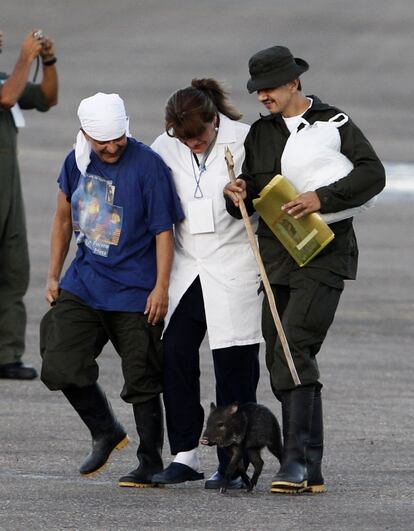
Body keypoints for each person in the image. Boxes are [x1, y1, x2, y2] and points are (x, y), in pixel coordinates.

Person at [224, 46, 385, 494]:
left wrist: (322, 198)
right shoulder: (262, 134)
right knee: (278, 354)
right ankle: (309, 467)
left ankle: (294, 462)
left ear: (293, 83)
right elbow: (255, 190)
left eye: (269, 89)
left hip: (324, 254)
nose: (262, 98)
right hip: (276, 258)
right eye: (257, 90)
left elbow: (373, 174)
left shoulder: (335, 122)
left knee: (295, 348)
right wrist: (236, 192)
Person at [39, 92, 184, 487]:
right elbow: (63, 218)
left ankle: (150, 461)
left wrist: (160, 288)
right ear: (85, 133)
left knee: (142, 378)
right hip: (84, 282)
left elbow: (163, 231)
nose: (111, 146)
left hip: (135, 290)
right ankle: (105, 429)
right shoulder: (77, 161)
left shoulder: (147, 167)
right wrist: (53, 275)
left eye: (117, 137)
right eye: (102, 140)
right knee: (58, 361)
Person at [150, 79, 262, 489]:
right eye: (184, 138)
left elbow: (266, 190)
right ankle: (184, 454)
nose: (192, 143)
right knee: (176, 355)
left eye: (198, 136)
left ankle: (233, 465)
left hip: (234, 266)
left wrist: (247, 192)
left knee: (234, 371)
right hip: (187, 267)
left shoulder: (246, 140)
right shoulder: (164, 146)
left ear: (214, 120)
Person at [0, 29, 58, 380]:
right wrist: (25, 58)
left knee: (13, 267)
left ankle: (7, 353)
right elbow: (7, 99)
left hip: (9, 189)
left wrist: (47, 60)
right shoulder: (8, 84)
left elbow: (47, 97)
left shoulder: (7, 79)